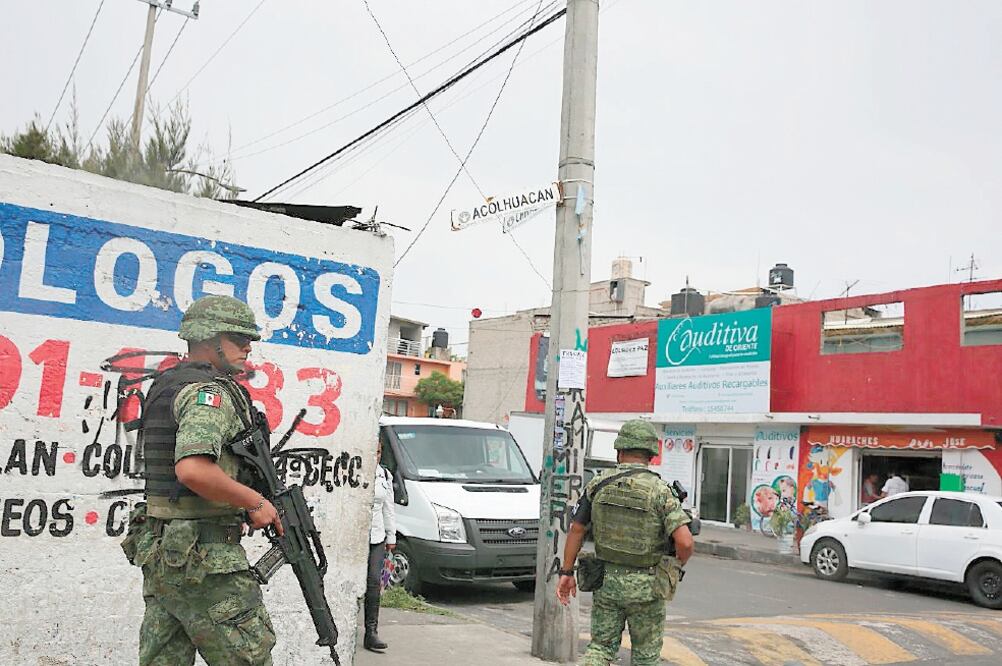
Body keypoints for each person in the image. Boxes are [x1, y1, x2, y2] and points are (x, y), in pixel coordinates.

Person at [122, 295, 284, 666]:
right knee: (249, 658)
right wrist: (255, 503)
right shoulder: (207, 393)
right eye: (238, 338)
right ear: (209, 338)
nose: (248, 347)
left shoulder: (166, 385)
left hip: (164, 552)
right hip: (206, 560)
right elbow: (194, 470)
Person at [556, 420, 694, 666]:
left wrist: (567, 572)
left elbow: (576, 529)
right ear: (651, 454)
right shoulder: (662, 491)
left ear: (619, 451)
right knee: (645, 657)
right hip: (648, 587)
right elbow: (684, 542)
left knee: (599, 649)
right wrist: (673, 567)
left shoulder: (597, 484)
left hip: (606, 583)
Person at [364, 440, 397, 652]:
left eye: (378, 452)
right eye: (372, 451)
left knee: (375, 582)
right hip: (356, 538)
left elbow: (388, 507)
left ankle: (371, 632)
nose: (375, 456)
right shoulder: (357, 471)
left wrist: (391, 536)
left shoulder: (384, 475)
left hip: (376, 537)